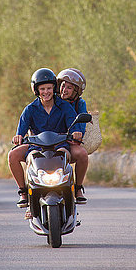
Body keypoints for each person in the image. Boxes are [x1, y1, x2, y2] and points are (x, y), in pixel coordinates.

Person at [8, 67, 85, 208]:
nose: (46, 92)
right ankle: (23, 191)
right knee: (12, 155)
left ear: (54, 88)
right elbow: (21, 131)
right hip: (36, 147)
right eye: (42, 89)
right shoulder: (30, 109)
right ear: (36, 90)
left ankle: (77, 189)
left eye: (49, 88)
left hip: (60, 146)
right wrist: (18, 136)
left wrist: (76, 132)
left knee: (73, 155)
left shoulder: (65, 107)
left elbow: (73, 125)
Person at [56, 68, 89, 203]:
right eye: (63, 85)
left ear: (76, 91)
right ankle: (29, 196)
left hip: (69, 142)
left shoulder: (79, 104)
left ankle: (78, 187)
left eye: (69, 88)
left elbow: (82, 125)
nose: (64, 90)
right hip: (50, 141)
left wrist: (77, 134)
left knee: (82, 154)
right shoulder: (53, 100)